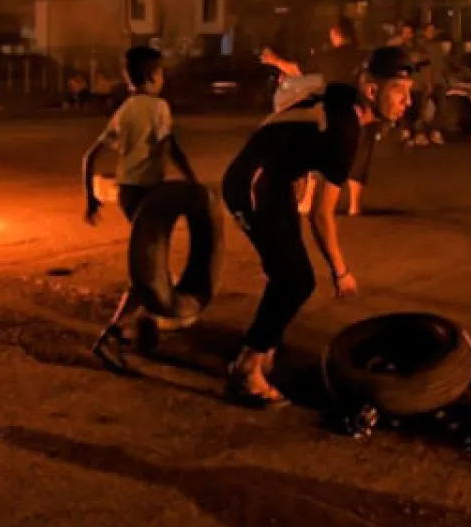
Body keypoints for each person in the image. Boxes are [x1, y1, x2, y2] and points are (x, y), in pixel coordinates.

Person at [220, 47, 415, 407]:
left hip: (271, 182)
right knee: (296, 280)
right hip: (250, 185)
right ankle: (246, 369)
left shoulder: (340, 99)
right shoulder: (345, 131)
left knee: (286, 273)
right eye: (399, 91)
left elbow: (290, 128)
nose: (408, 102)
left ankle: (265, 349)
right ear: (371, 90)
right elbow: (321, 216)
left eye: (410, 92)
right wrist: (341, 272)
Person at [81, 46, 199, 370]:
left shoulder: (125, 110)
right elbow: (169, 146)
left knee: (151, 261)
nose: (164, 79)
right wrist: (193, 181)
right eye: (161, 73)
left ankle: (147, 324)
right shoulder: (159, 107)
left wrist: (91, 198)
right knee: (146, 272)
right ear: (151, 76)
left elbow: (89, 157)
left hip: (128, 194)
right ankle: (114, 334)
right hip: (150, 195)